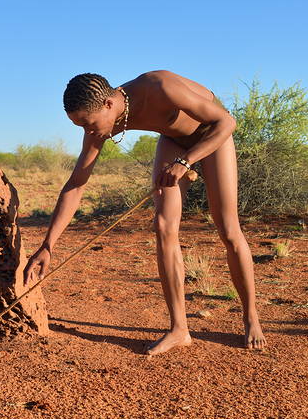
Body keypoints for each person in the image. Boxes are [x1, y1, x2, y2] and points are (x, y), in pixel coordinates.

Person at [23, 70, 266, 355]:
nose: (87, 132)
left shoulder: (159, 87)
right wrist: (47, 246)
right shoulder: (102, 124)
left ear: (108, 105)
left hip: (211, 135)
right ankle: (179, 329)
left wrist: (186, 162)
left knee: (228, 229)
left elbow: (227, 122)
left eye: (88, 124)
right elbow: (76, 184)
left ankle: (251, 316)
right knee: (163, 226)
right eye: (79, 126)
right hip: (173, 140)